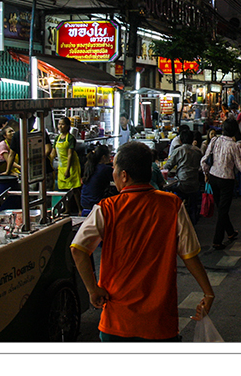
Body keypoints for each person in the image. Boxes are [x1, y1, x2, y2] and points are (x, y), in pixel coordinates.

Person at [71, 141, 215, 341]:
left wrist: (92, 288)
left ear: (124, 176)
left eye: (114, 169)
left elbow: (78, 249)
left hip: (117, 319)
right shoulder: (172, 205)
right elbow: (189, 254)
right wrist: (208, 292)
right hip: (160, 321)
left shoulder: (106, 208)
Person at [200, 118, 241, 250]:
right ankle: (217, 240)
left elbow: (205, 159)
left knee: (221, 207)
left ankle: (230, 232)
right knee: (223, 210)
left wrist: (206, 173)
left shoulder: (214, 140)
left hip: (213, 177)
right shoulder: (235, 146)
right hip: (226, 179)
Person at [55, 117, 83, 214]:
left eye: (62, 124)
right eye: (59, 124)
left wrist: (68, 170)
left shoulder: (70, 138)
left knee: (74, 189)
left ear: (67, 126)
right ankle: (67, 209)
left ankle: (80, 209)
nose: (60, 126)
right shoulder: (57, 138)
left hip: (71, 166)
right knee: (63, 190)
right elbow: (53, 153)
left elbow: (70, 154)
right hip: (61, 166)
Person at [80, 144, 114, 212]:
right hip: (95, 203)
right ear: (104, 157)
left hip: (84, 202)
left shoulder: (90, 166)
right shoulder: (105, 169)